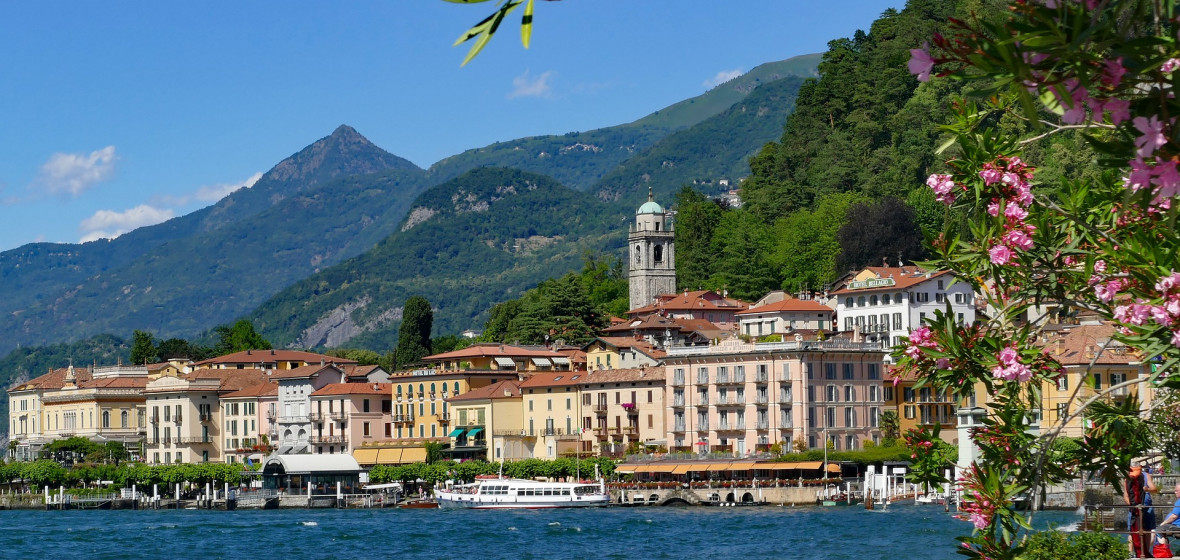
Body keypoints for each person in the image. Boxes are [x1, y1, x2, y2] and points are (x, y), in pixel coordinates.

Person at [1128, 464, 1159, 558]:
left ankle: (1146, 552)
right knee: (1132, 530)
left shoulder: (1146, 476)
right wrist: (1131, 504)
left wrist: (1147, 489)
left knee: (1148, 530)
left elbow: (1154, 489)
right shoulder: (1128, 477)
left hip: (1147, 507)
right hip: (1134, 507)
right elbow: (1125, 494)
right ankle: (1131, 553)